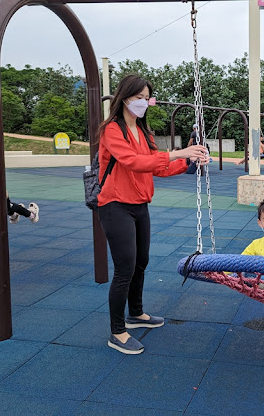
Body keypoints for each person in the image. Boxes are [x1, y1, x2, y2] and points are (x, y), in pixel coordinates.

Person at [97, 74, 209, 355]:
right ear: (124, 98)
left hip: (138, 204)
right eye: (139, 98)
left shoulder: (144, 133)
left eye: (148, 98)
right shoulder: (112, 130)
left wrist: (189, 162)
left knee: (141, 262)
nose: (144, 103)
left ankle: (136, 313)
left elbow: (156, 167)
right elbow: (133, 162)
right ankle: (117, 331)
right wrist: (176, 153)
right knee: (125, 267)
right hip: (114, 204)